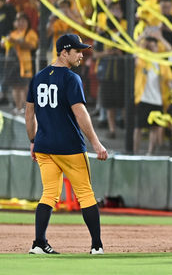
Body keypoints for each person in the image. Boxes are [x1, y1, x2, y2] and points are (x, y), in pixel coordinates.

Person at [25, 33, 108, 255]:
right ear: (64, 52)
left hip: (44, 146)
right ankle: (97, 246)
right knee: (85, 194)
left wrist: (33, 140)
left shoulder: (38, 77)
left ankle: (39, 243)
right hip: (69, 147)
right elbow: (80, 113)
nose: (81, 55)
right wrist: (97, 143)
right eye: (77, 51)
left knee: (49, 194)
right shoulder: (71, 79)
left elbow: (29, 112)